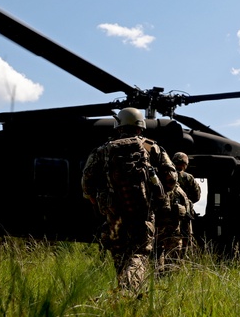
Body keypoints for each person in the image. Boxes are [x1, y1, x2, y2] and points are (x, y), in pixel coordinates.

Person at [81, 107, 177, 292]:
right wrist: (157, 196)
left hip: (114, 214)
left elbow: (87, 184)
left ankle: (124, 293)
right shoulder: (151, 147)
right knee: (139, 253)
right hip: (143, 213)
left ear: (118, 126)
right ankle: (129, 291)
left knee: (120, 254)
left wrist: (99, 202)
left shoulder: (103, 150)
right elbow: (172, 179)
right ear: (140, 127)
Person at [172, 151, 201, 253]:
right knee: (185, 239)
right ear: (185, 164)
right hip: (184, 215)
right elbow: (197, 196)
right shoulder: (188, 178)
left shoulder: (164, 176)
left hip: (167, 213)